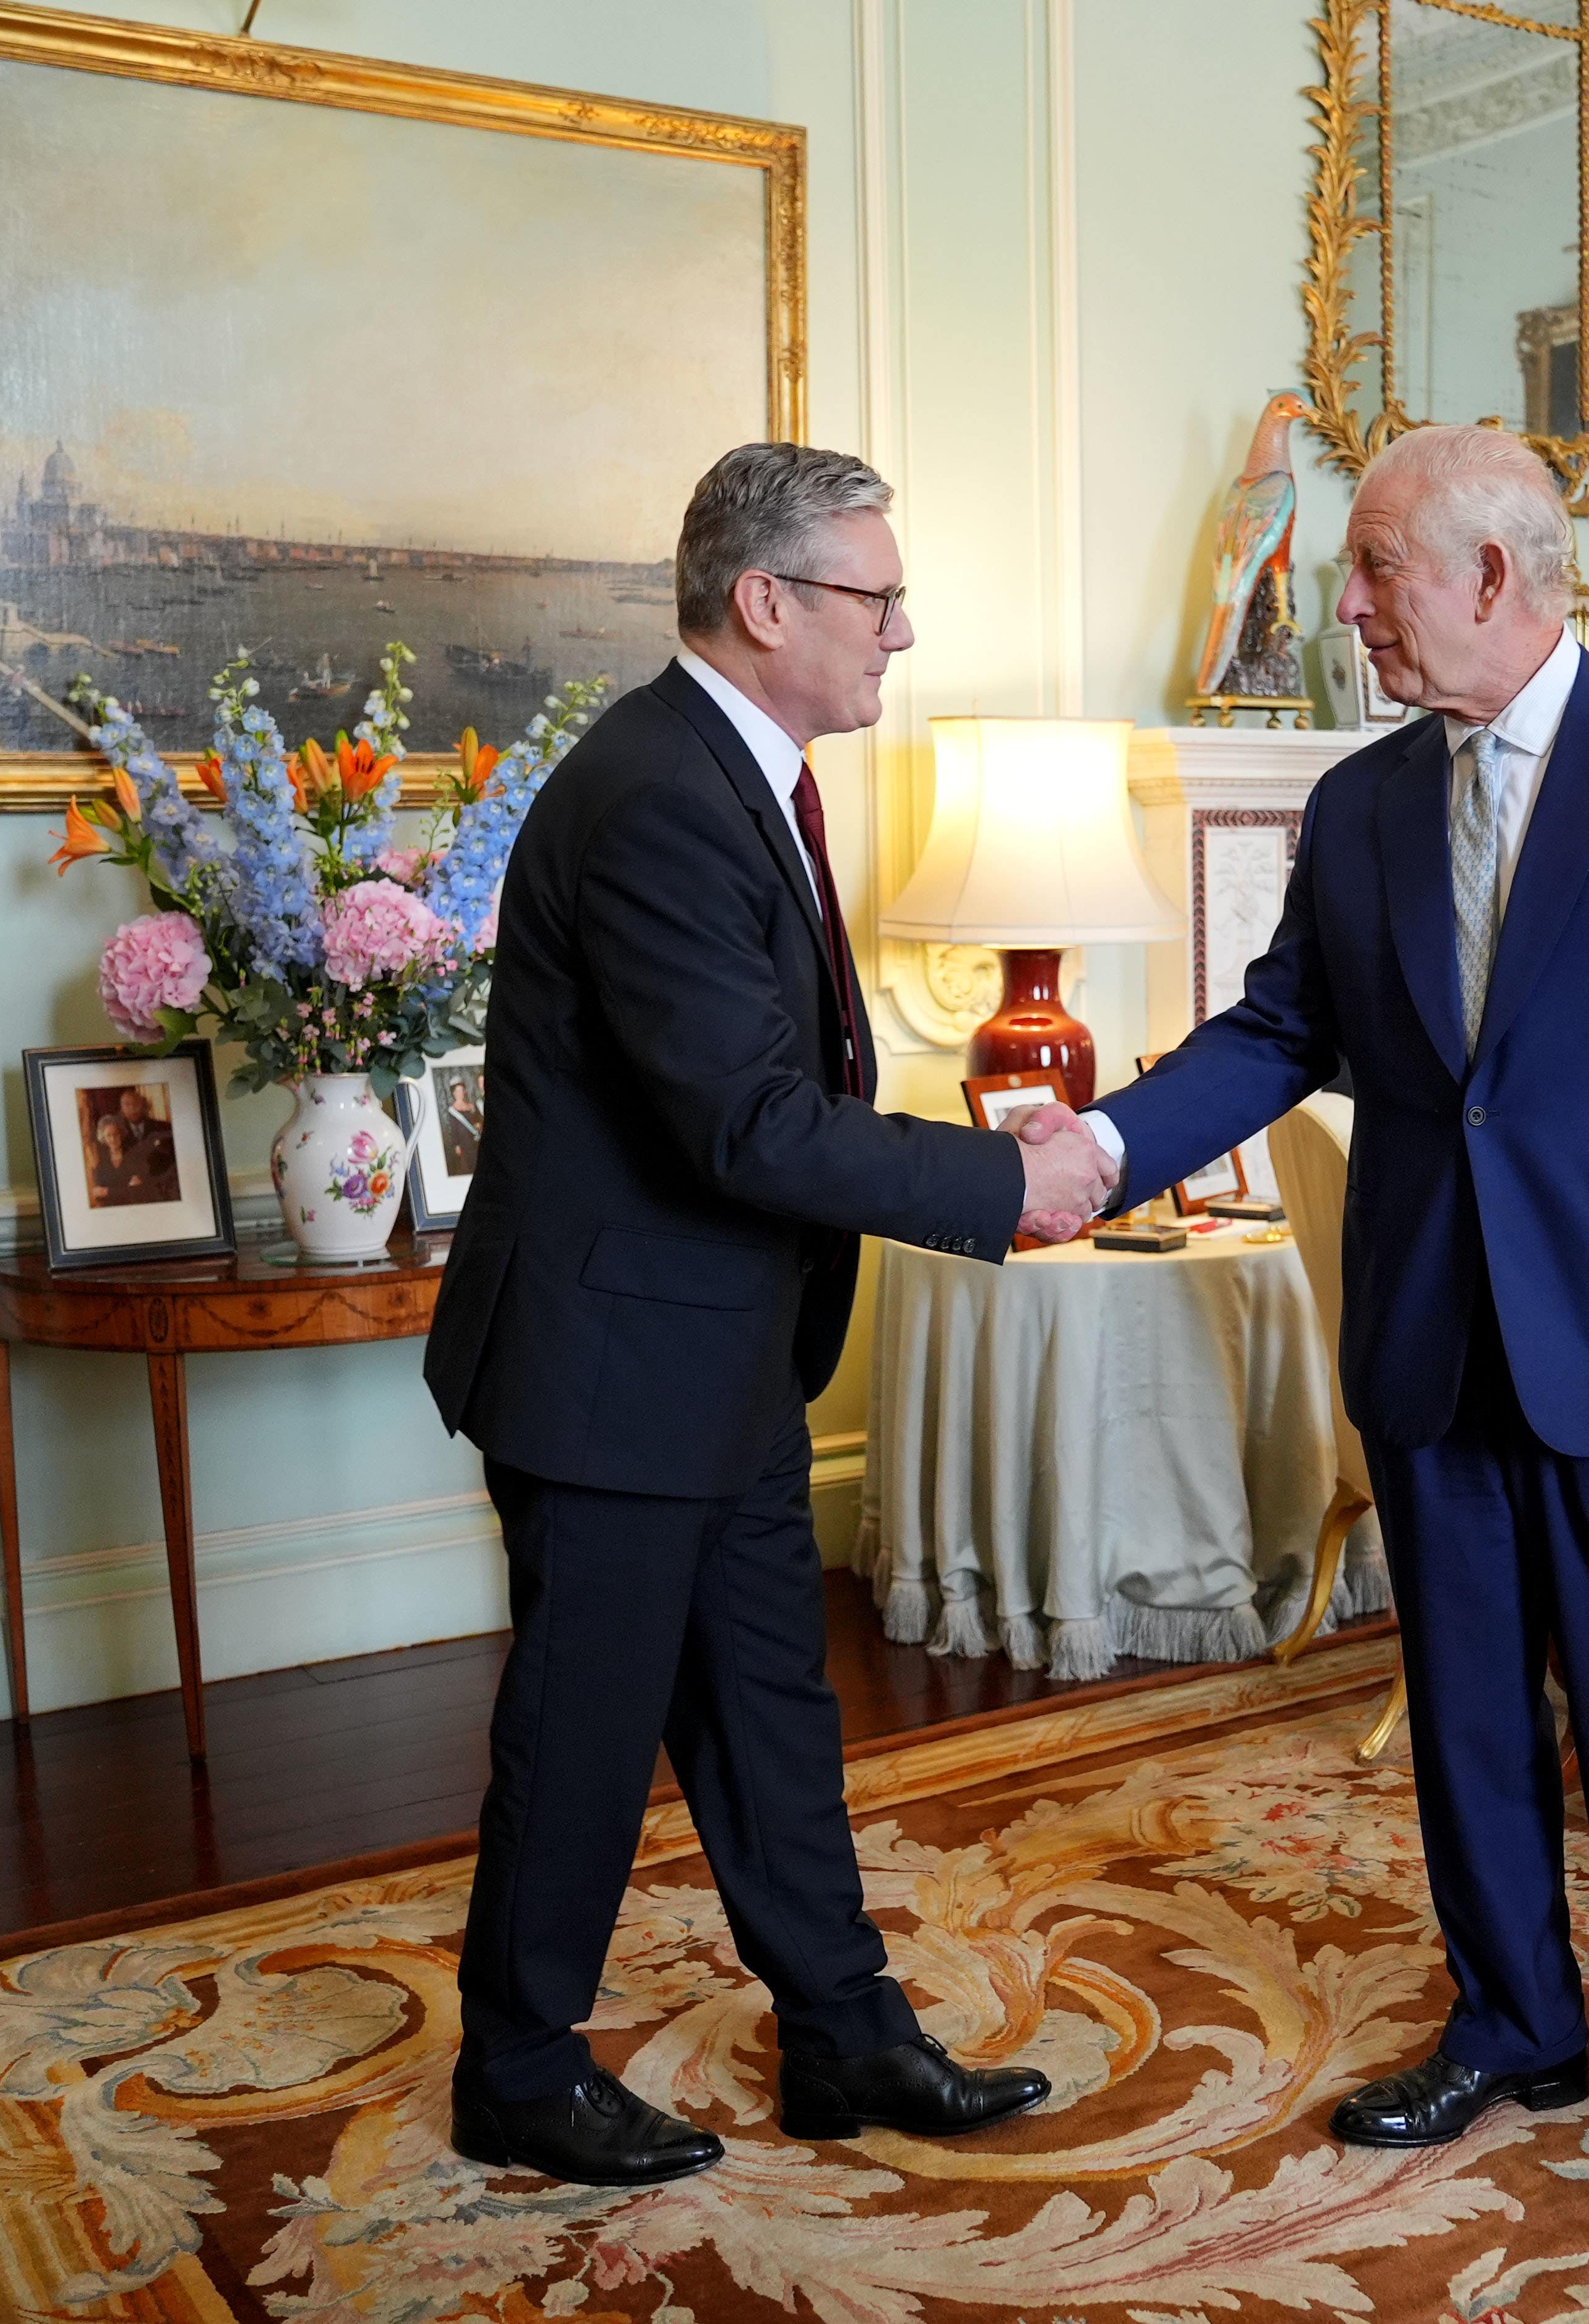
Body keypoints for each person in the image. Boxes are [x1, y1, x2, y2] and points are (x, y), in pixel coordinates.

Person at [1082, 425, 1589, 2208]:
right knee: (1462, 1709)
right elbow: (1281, 1030)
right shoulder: (1359, 802)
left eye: (1372, 572)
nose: (1344, 605)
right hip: (1435, 1331)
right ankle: (1512, 2018)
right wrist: (1109, 1143)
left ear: (1492, 577)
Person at [421, 441, 1116, 2188]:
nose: (901, 630)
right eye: (876, 597)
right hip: (610, 1360)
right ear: (768, 601)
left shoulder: (738, 771)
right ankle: (514, 2066)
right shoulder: (660, 789)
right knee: (583, 1732)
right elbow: (740, 1119)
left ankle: (843, 2028)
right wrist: (994, 1184)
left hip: (709, 1348)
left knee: (764, 1705)